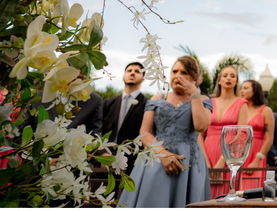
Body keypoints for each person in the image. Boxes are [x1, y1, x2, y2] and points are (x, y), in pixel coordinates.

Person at [119, 56, 212, 207]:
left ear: (193, 77)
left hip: (189, 163)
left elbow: (201, 126)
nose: (177, 75)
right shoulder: (158, 98)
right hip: (155, 158)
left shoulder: (202, 100)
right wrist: (163, 154)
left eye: (184, 72)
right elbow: (144, 132)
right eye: (174, 71)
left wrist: (194, 93)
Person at [201, 65, 249, 198]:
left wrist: (223, 160)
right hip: (207, 152)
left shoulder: (242, 103)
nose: (229, 78)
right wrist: (205, 160)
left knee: (225, 195)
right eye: (225, 75)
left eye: (233, 76)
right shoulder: (209, 102)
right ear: (219, 80)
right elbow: (199, 134)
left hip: (229, 154)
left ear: (236, 82)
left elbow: (241, 135)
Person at [102, 62, 148, 174]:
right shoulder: (108, 103)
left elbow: (146, 135)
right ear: (123, 76)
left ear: (143, 79)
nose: (132, 73)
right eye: (129, 71)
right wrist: (102, 154)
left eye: (137, 71)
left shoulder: (148, 104)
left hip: (133, 166)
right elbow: (99, 130)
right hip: (103, 163)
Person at [239, 79, 274, 190]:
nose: (242, 91)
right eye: (241, 88)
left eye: (246, 88)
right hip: (240, 154)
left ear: (255, 90)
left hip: (256, 155)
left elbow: (269, 139)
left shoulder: (265, 111)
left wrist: (256, 160)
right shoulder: (240, 109)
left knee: (251, 189)